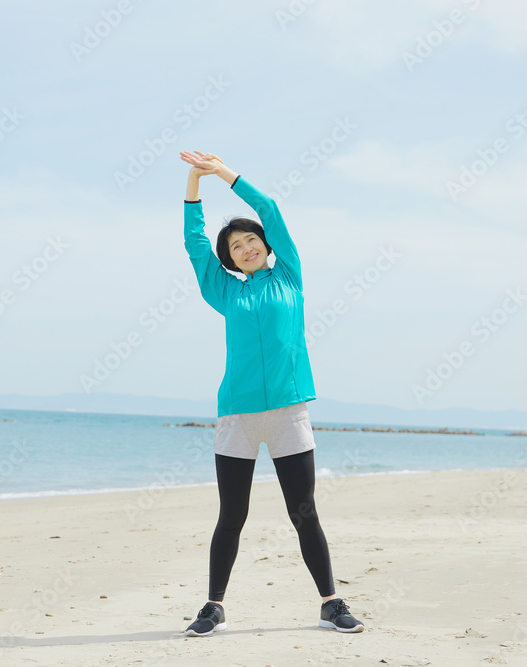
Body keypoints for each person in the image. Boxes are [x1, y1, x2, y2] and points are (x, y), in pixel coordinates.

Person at [179, 150, 364, 636]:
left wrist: (225, 174)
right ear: (230, 259)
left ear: (265, 243)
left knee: (304, 512)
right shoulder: (226, 292)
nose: (246, 248)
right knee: (231, 516)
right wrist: (194, 187)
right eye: (236, 246)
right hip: (238, 415)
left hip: (287, 412)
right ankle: (214, 606)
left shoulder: (289, 275)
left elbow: (272, 210)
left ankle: (330, 602)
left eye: (251, 239)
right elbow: (195, 244)